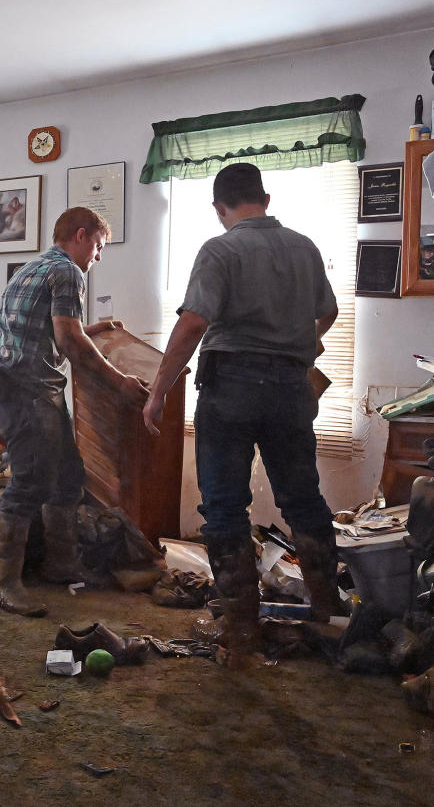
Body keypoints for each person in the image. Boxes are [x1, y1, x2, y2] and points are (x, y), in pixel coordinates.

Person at [141, 162, 339, 669]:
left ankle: (242, 631)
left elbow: (193, 324)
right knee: (303, 498)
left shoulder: (220, 248)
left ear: (218, 207)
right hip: (292, 387)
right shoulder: (304, 247)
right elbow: (329, 311)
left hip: (231, 386)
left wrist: (159, 390)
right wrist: (300, 348)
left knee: (225, 506)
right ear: (265, 199)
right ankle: (327, 613)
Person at [0, 207, 147, 618]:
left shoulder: (30, 269)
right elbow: (69, 343)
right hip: (28, 391)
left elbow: (49, 332)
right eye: (98, 246)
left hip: (24, 387)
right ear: (80, 234)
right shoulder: (68, 273)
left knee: (69, 477)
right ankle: (2, 584)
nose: (98, 257)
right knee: (29, 482)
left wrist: (93, 329)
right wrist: (120, 382)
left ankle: (60, 563)